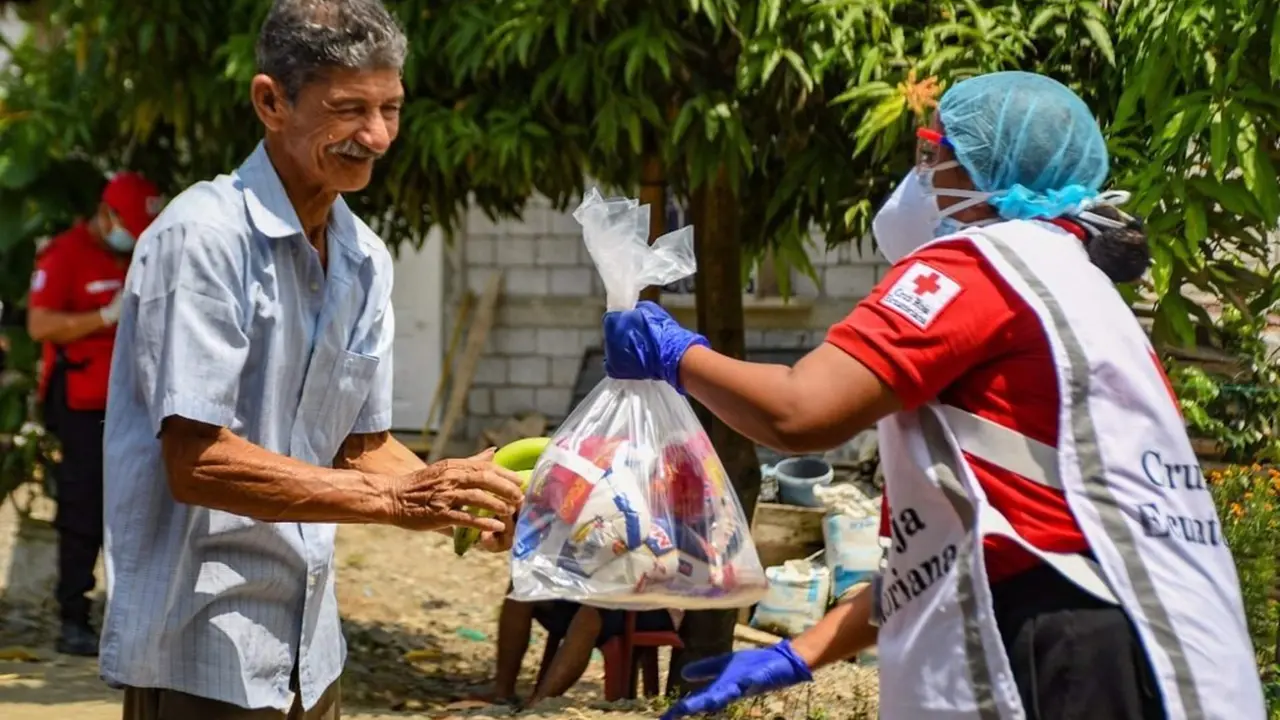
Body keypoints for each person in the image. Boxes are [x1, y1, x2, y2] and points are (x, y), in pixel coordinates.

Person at [605, 72, 1264, 719]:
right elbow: (971, 550)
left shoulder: (978, 267)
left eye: (935, 153)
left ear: (984, 173)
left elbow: (799, 412)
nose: (922, 174)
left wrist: (675, 354)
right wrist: (801, 653)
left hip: (1061, 649)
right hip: (1135, 637)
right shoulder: (1077, 289)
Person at [99, 2, 524, 719]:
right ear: (271, 101)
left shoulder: (363, 259)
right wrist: (397, 502)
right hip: (204, 644)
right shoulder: (202, 238)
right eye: (349, 109)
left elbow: (361, 448)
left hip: (310, 650)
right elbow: (196, 460)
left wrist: (458, 501)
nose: (378, 135)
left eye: (391, 107)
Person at [25, 171, 163, 656]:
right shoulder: (65, 256)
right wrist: (102, 318)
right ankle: (73, 616)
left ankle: (132, 615)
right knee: (83, 507)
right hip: (82, 406)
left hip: (138, 402)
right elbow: (40, 325)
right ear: (106, 215)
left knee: (140, 509)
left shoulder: (142, 256)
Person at [492, 597, 681, 706]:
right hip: (590, 588)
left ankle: (540, 702)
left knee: (593, 608)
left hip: (649, 604)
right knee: (520, 593)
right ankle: (503, 694)